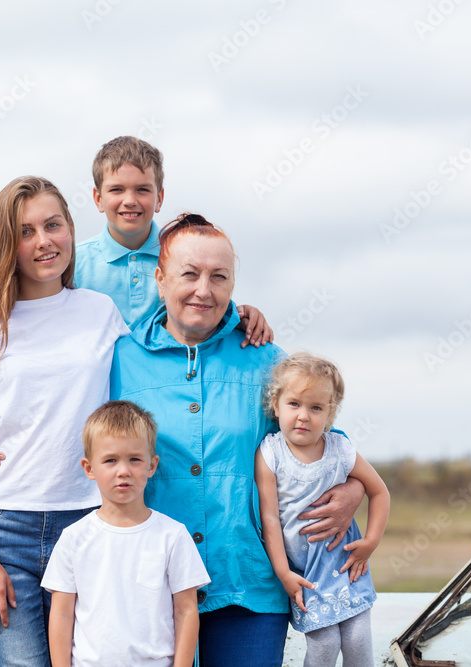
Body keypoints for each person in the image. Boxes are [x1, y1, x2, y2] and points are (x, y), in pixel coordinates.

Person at [108, 213, 367, 665]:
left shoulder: (265, 359)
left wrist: (355, 487)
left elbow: (321, 439)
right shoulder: (119, 359)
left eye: (219, 276)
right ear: (160, 279)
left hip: (248, 585)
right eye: (189, 274)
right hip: (150, 583)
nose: (203, 290)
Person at [0, 176, 129, 666]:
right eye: (26, 232)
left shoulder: (101, 312)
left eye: (53, 225)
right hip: (4, 531)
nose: (43, 241)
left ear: (70, 229)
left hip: (91, 521)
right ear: (8, 245)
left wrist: (239, 314)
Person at [42, 400, 209, 667]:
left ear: (152, 465)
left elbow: (187, 610)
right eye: (110, 460)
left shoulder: (173, 535)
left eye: (134, 459)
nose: (124, 471)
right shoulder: (74, 538)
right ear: (89, 468)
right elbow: (61, 614)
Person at [255, 353, 390, 667]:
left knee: (358, 641)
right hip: (306, 573)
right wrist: (283, 572)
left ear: (330, 414)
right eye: (294, 404)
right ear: (275, 404)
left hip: (344, 562)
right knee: (324, 644)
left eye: (316, 408)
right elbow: (270, 519)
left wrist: (370, 543)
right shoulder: (271, 453)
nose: (304, 416)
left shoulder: (339, 450)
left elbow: (379, 491)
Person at [74, 135, 271, 345]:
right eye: (116, 190)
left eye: (142, 189)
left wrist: (238, 316)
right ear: (98, 199)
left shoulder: (183, 256)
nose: (130, 200)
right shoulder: (74, 264)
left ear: (159, 198)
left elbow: (205, 303)